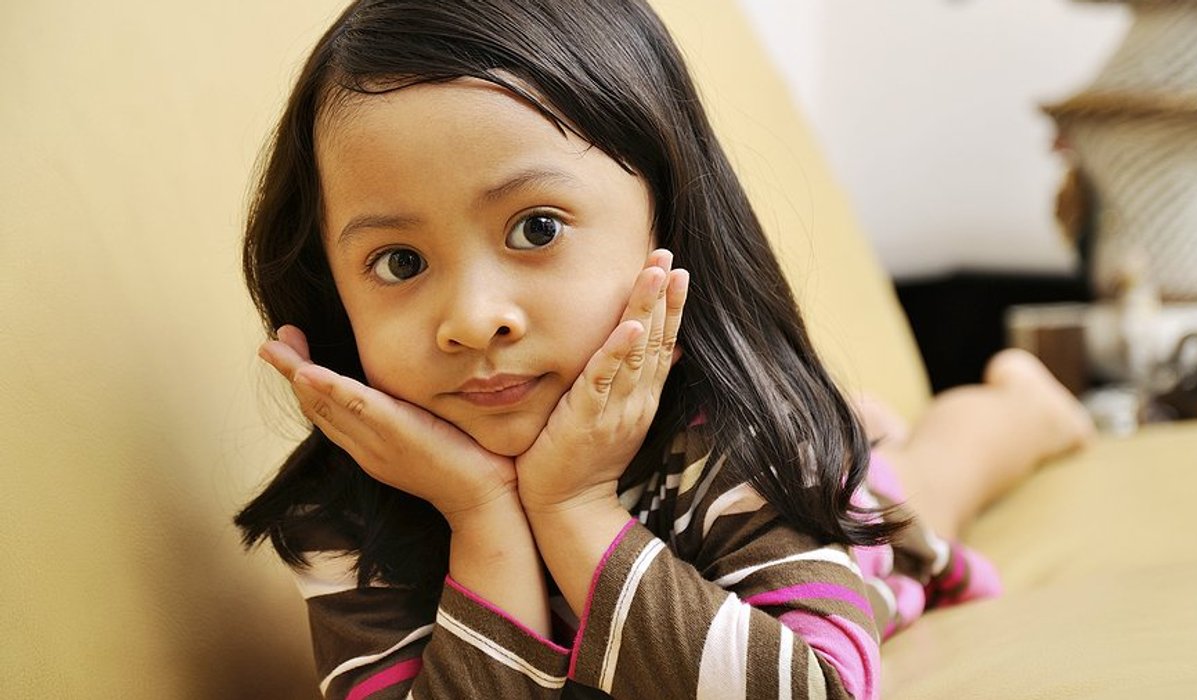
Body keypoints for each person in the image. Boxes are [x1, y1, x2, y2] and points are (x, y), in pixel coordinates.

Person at [234, 1, 1094, 698]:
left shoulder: (740, 434)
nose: (471, 318)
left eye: (535, 228)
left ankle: (1018, 405)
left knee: (924, 489)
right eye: (399, 262)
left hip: (804, 492)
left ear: (667, 223)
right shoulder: (345, 509)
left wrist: (572, 504)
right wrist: (483, 516)